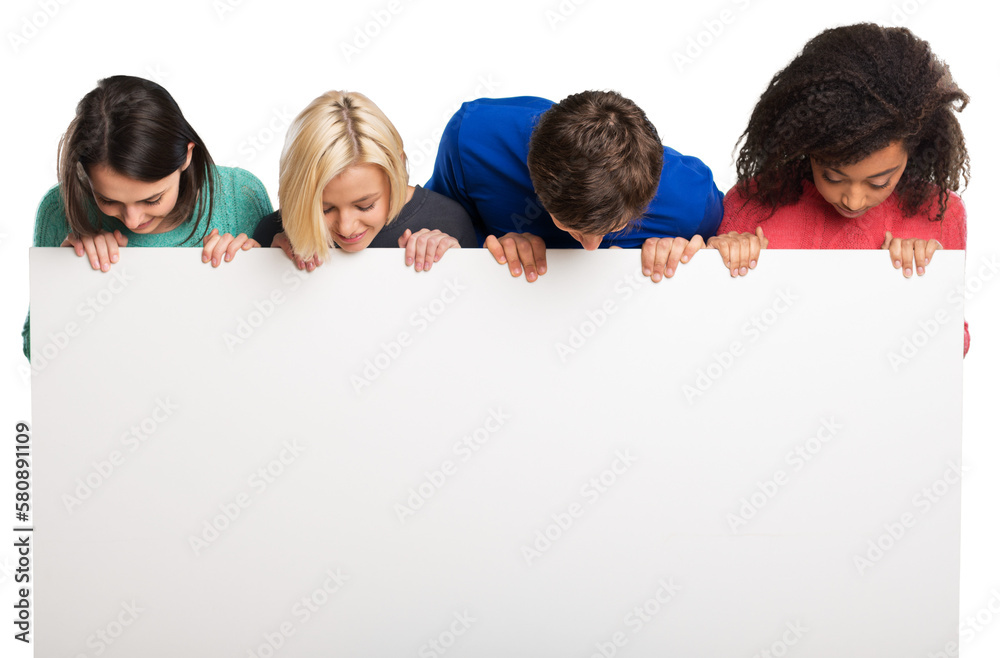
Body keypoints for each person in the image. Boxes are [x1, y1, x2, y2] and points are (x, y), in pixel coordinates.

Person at [720, 24, 970, 352]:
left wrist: (926, 286)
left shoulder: (939, 215)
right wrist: (717, 261)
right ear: (807, 148)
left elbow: (955, 347)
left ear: (914, 149)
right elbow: (714, 327)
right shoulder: (751, 204)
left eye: (879, 181)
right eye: (833, 177)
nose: (853, 200)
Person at [23, 75, 274, 359]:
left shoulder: (241, 195)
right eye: (107, 199)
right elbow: (36, 355)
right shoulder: (59, 210)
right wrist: (62, 281)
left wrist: (259, 270)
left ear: (186, 158)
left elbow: (282, 338)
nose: (132, 220)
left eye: (152, 199)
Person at [425, 91, 761, 282]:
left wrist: (697, 252)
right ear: (535, 183)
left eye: (613, 228)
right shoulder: (472, 139)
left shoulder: (691, 201)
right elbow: (441, 227)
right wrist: (487, 244)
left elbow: (720, 250)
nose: (591, 247)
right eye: (569, 225)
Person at [253, 91, 476, 270]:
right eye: (324, 209)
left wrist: (454, 266)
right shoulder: (274, 234)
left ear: (396, 171)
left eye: (365, 205)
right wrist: (273, 262)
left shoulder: (448, 222)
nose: (347, 228)